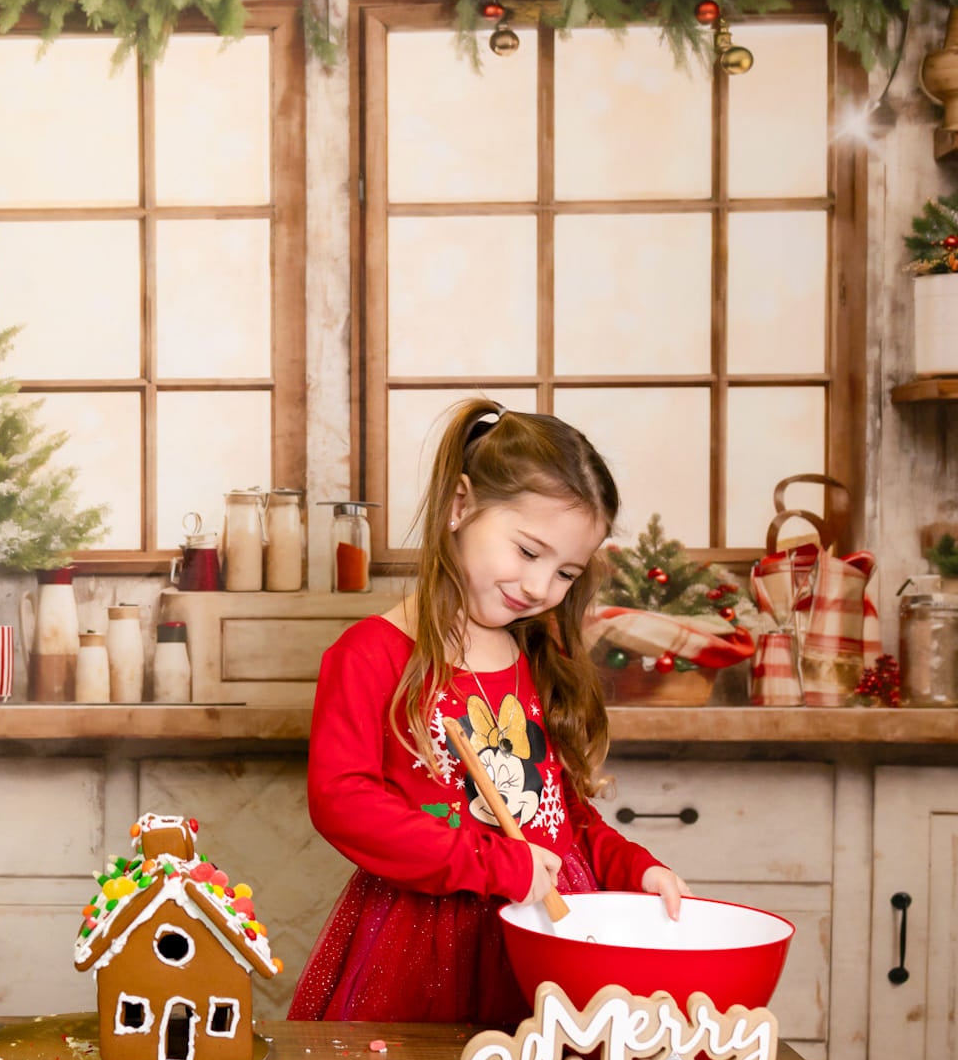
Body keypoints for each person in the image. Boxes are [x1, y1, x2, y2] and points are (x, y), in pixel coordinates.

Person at [289, 398, 688, 1026]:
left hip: (544, 933)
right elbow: (343, 801)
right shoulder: (370, 654)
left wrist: (632, 866)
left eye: (565, 572)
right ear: (459, 505)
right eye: (528, 552)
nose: (539, 587)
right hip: (426, 941)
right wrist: (492, 863)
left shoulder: (533, 651)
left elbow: (558, 813)